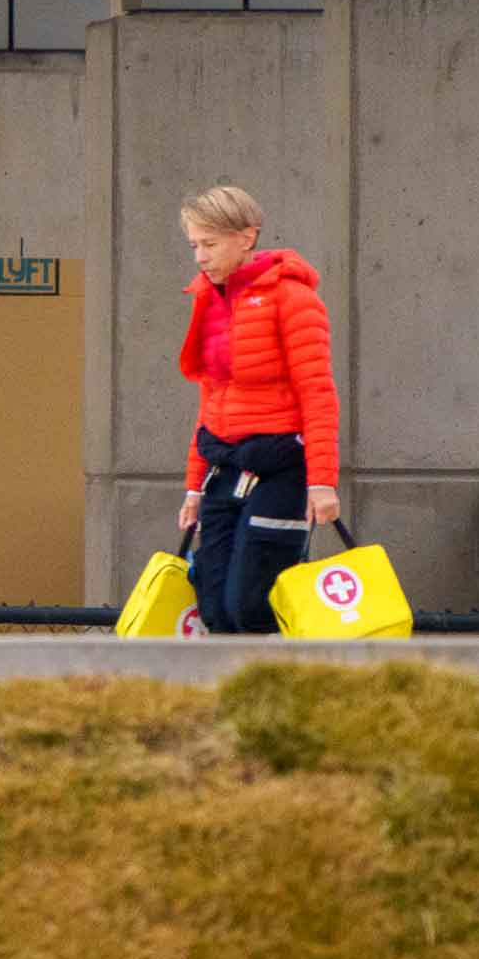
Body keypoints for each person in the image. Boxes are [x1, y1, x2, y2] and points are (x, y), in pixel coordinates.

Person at [173, 186, 340, 633]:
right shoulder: (208, 299)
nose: (199, 258)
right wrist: (193, 488)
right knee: (213, 605)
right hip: (223, 465)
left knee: (251, 603)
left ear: (246, 237)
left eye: (209, 244)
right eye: (194, 245)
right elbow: (210, 398)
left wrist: (321, 481)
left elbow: (317, 392)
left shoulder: (292, 298)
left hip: (280, 464)